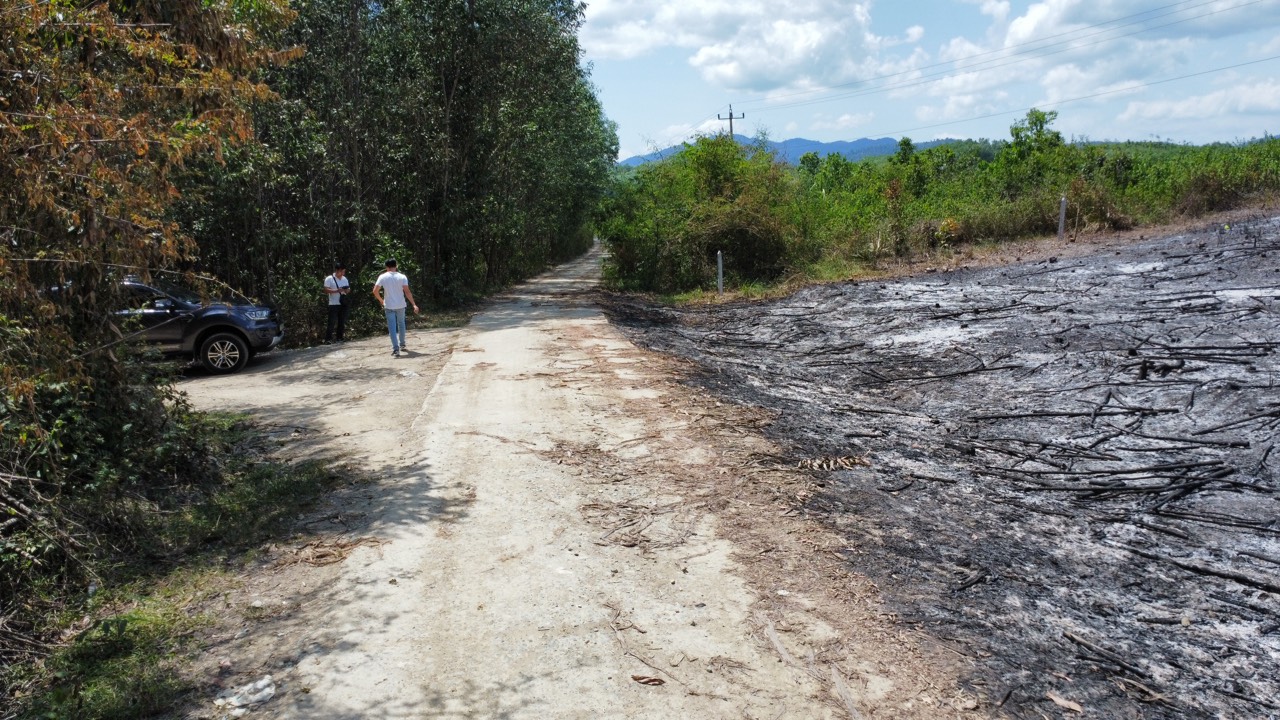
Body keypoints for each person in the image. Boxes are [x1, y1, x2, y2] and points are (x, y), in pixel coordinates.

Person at [371, 258, 418, 357]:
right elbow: (407, 291)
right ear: (396, 266)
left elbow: (375, 291)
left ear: (386, 267)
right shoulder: (402, 277)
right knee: (401, 324)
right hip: (401, 304)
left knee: (392, 327)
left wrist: (381, 300)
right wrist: (414, 304)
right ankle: (402, 344)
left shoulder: (383, 277)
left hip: (389, 305)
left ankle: (396, 349)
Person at [323, 263, 350, 343]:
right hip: (333, 304)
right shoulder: (329, 279)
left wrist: (346, 290)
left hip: (343, 303)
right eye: (342, 271)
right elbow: (325, 290)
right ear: (338, 270)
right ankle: (328, 339)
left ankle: (339, 338)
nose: (343, 273)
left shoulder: (344, 279)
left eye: (344, 271)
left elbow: (348, 289)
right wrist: (337, 290)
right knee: (331, 322)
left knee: (341, 321)